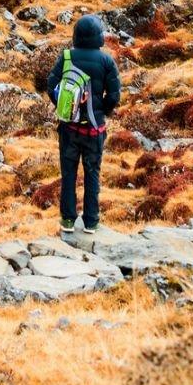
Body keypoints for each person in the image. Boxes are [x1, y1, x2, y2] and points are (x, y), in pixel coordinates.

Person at [46, 13, 121, 247]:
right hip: (94, 131)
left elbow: (51, 85)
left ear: (76, 35)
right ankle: (90, 222)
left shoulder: (67, 56)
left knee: (68, 174)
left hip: (68, 129)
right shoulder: (107, 61)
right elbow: (115, 95)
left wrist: (67, 109)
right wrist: (101, 113)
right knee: (92, 174)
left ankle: (68, 220)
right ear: (100, 36)